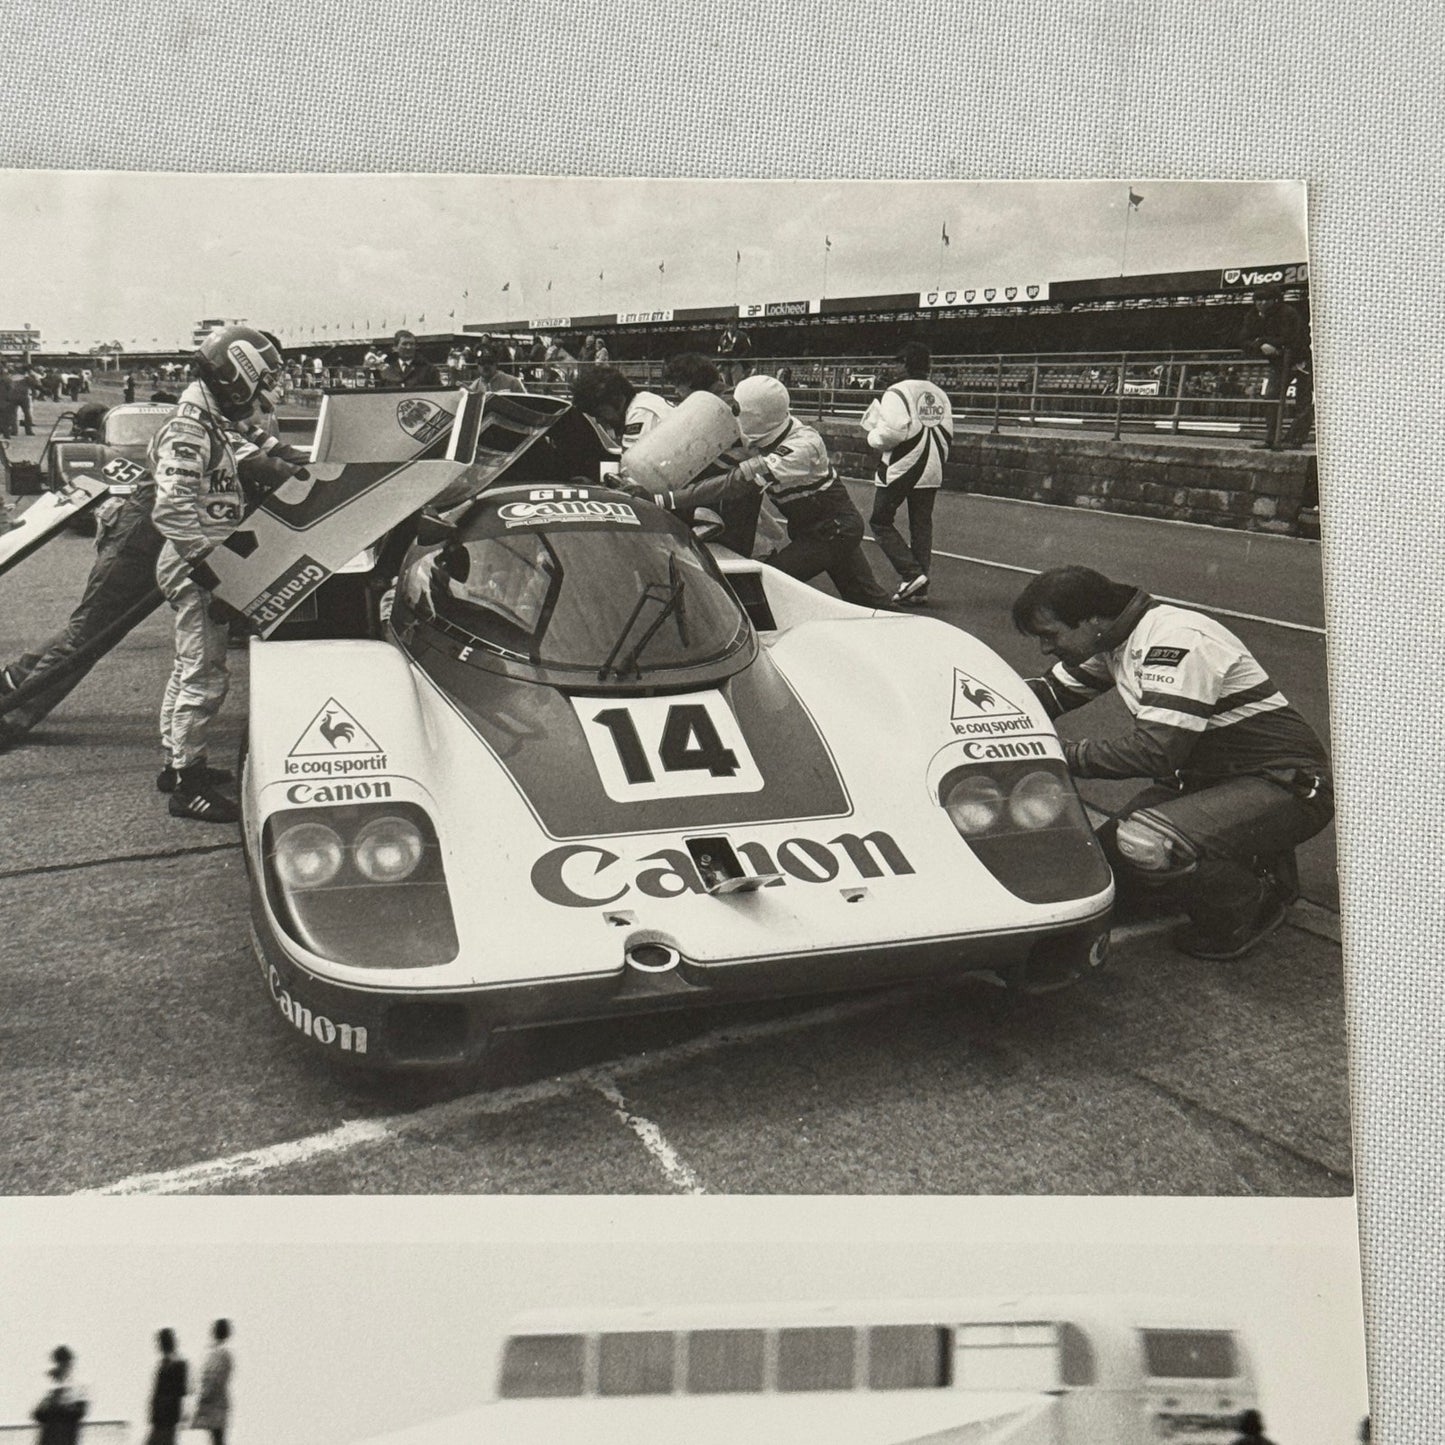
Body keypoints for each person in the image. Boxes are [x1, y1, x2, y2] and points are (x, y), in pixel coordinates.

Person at [1012, 566, 1333, 960]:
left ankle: (1255, 902)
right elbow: (1046, 694)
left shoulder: (1176, 641)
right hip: (1214, 781)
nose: (1045, 649)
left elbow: (1154, 751)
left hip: (1285, 783)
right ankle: (1248, 859)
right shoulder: (1112, 641)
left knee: (1146, 844)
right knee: (1102, 871)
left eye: (1050, 635)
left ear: (1092, 619)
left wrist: (1057, 753)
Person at [149, 326, 305, 822]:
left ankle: (176, 763)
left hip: (198, 559)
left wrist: (306, 464)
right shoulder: (190, 429)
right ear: (238, 375)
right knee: (204, 674)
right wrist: (209, 569)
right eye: (260, 379)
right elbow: (171, 510)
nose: (263, 390)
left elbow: (259, 442)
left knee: (187, 666)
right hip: (196, 563)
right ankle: (187, 785)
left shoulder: (211, 416)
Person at [629, 374, 893, 610]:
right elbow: (718, 464)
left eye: (737, 408)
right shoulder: (767, 430)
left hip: (832, 531)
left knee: (767, 584)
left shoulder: (802, 446)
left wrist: (664, 499)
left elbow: (735, 482)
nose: (733, 413)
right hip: (817, 529)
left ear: (755, 415)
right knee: (867, 599)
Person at [864, 340, 954, 606]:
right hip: (932, 467)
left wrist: (872, 435)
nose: (893, 368)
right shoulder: (940, 393)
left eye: (897, 362)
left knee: (880, 520)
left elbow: (891, 433)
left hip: (902, 466)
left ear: (905, 363)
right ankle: (920, 586)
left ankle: (911, 573)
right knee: (921, 525)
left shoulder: (896, 391)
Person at [1238, 281, 1312, 448]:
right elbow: (1243, 340)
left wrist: (1264, 341)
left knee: (1303, 402)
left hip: (1301, 360)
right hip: (1279, 362)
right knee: (1271, 398)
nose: (1262, 303)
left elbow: (1291, 338)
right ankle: (1272, 438)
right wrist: (1261, 345)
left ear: (1275, 300)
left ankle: (1295, 440)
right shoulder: (1252, 315)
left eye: (1267, 299)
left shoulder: (1287, 313)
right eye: (1259, 299)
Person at [571, 364, 673, 452]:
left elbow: (631, 463)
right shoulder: (644, 399)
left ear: (617, 399)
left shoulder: (640, 413)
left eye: (600, 413)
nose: (599, 420)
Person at [190, 1319, 234, 1445]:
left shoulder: (212, 1353)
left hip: (211, 1402)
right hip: (219, 1402)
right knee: (218, 1437)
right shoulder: (225, 1354)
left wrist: (202, 1397)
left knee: (216, 1437)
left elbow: (209, 1377)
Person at [32, 1346, 88, 1445]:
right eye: (58, 1363)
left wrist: (59, 1403)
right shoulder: (48, 1385)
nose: (60, 1367)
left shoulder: (78, 1386)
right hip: (48, 1438)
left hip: (67, 1437)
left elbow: (80, 1413)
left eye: (63, 1363)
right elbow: (37, 1414)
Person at [147, 1329, 188, 1445]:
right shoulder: (170, 1363)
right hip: (165, 1414)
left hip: (167, 1414)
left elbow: (180, 1391)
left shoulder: (174, 1364)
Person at [716, 319, 752, 384]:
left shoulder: (742, 335)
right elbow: (719, 352)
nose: (731, 326)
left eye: (733, 324)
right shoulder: (723, 337)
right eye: (729, 324)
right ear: (726, 326)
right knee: (727, 384)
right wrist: (720, 363)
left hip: (737, 364)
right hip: (725, 364)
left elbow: (747, 350)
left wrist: (739, 359)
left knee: (737, 383)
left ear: (736, 325)